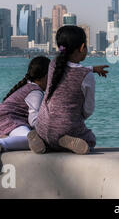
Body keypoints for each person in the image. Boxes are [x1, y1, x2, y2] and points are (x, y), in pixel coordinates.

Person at [28, 25, 108, 155]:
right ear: (82, 48)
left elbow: (70, 69)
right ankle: (63, 140)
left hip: (42, 127)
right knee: (90, 139)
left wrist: (92, 68)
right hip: (66, 129)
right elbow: (88, 110)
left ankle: (38, 137)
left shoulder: (53, 64)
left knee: (48, 131)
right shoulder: (86, 76)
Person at [0, 56, 51, 172]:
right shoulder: (35, 91)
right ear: (46, 76)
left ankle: (5, 140)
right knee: (33, 141)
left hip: (2, 125)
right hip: (9, 123)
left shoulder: (29, 87)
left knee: (34, 140)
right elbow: (34, 121)